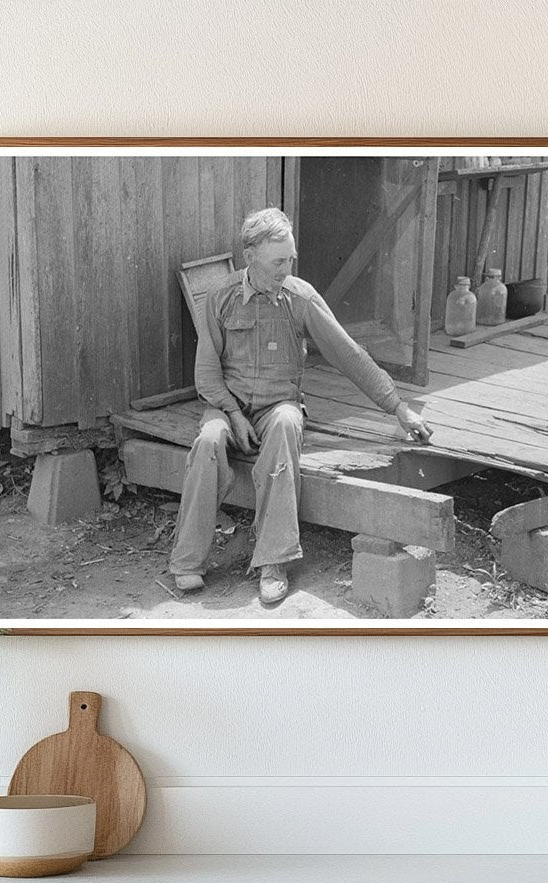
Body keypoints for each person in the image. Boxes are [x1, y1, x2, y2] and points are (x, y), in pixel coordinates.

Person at [168, 207, 433, 605]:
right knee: (208, 441)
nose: (286, 267)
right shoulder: (220, 297)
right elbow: (206, 374)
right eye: (278, 260)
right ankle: (189, 560)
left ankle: (273, 563)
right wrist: (234, 415)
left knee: (287, 425)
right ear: (250, 256)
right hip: (226, 408)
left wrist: (398, 407)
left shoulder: (300, 297)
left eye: (290, 258)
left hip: (279, 407)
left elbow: (350, 355)